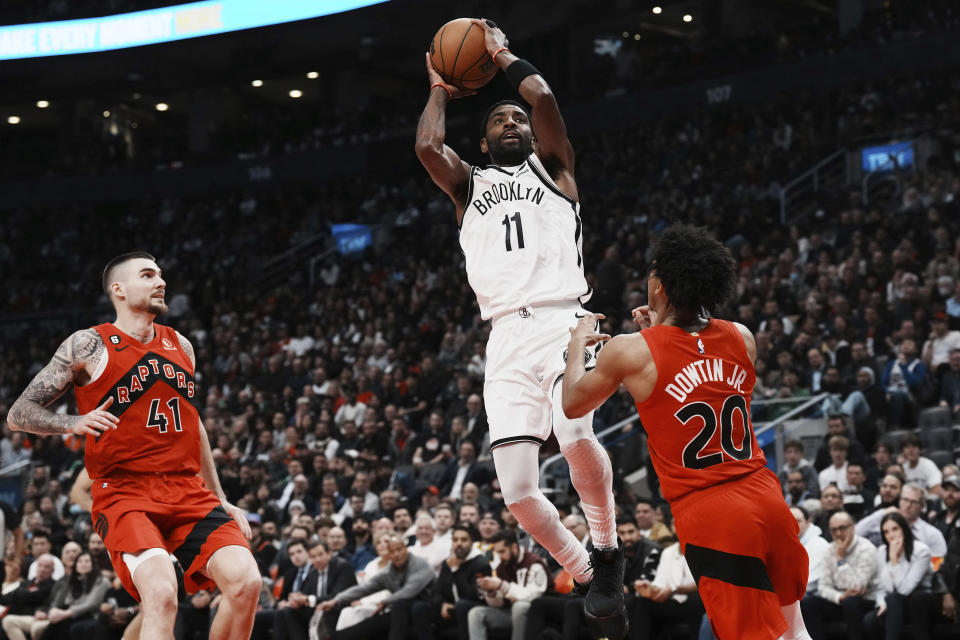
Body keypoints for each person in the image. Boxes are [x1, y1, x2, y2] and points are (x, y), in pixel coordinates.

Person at [415, 17, 624, 639]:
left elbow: (544, 98)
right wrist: (437, 89)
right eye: (502, 122)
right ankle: (585, 569)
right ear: (482, 143)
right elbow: (428, 149)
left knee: (576, 432)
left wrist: (502, 55)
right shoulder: (468, 185)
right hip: (504, 337)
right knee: (517, 492)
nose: (515, 124)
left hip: (566, 323)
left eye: (519, 122)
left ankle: (608, 549)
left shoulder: (555, 171)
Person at [560, 225, 811, 639]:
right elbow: (697, 358)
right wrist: (659, 324)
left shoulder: (630, 349)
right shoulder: (742, 337)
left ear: (658, 285)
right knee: (793, 628)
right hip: (766, 498)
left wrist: (576, 348)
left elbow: (573, 403)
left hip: (713, 512)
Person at [7, 252, 261, 640]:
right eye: (148, 275)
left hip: (186, 489)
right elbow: (19, 412)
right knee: (161, 595)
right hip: (124, 491)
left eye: (160, 274)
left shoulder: (181, 345)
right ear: (119, 289)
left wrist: (220, 495)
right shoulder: (88, 344)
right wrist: (72, 422)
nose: (160, 281)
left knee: (246, 583)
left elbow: (194, 426)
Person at [318, 534, 435, 640]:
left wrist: (385, 601)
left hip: (428, 606)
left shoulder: (419, 564)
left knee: (401, 606)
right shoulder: (389, 572)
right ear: (388, 555)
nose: (396, 554)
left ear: (406, 549)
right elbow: (364, 588)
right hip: (401, 611)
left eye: (399, 549)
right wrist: (336, 600)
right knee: (377, 621)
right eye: (392, 552)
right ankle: (335, 637)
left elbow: (410, 590)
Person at [800, 511, 879, 640]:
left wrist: (840, 559)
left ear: (852, 527)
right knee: (808, 602)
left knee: (851, 602)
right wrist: (839, 597)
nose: (838, 533)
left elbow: (856, 587)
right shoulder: (829, 550)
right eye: (834, 530)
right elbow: (823, 586)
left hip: (865, 600)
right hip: (839, 600)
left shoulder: (866, 549)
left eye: (842, 528)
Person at [412, 523, 491, 640]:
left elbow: (473, 595)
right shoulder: (448, 562)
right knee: (419, 608)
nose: (459, 543)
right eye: (455, 540)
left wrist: (456, 570)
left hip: (472, 608)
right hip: (452, 609)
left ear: (471, 543)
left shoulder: (480, 563)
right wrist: (442, 604)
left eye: (464, 540)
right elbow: (436, 592)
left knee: (462, 605)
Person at [467, 530, 548, 640]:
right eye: (497, 552)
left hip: (536, 613)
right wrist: (491, 592)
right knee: (475, 613)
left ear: (514, 547)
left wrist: (502, 585)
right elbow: (499, 604)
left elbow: (534, 596)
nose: (500, 556)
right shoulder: (502, 566)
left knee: (519, 607)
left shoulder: (534, 563)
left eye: (502, 551)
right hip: (510, 612)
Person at [863, 512, 933, 640]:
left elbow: (904, 590)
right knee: (870, 621)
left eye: (895, 529)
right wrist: (881, 603)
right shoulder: (882, 550)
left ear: (904, 529)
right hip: (892, 602)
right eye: (886, 532)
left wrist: (894, 561)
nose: (891, 535)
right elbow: (881, 587)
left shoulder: (921, 551)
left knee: (895, 599)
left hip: (917, 601)